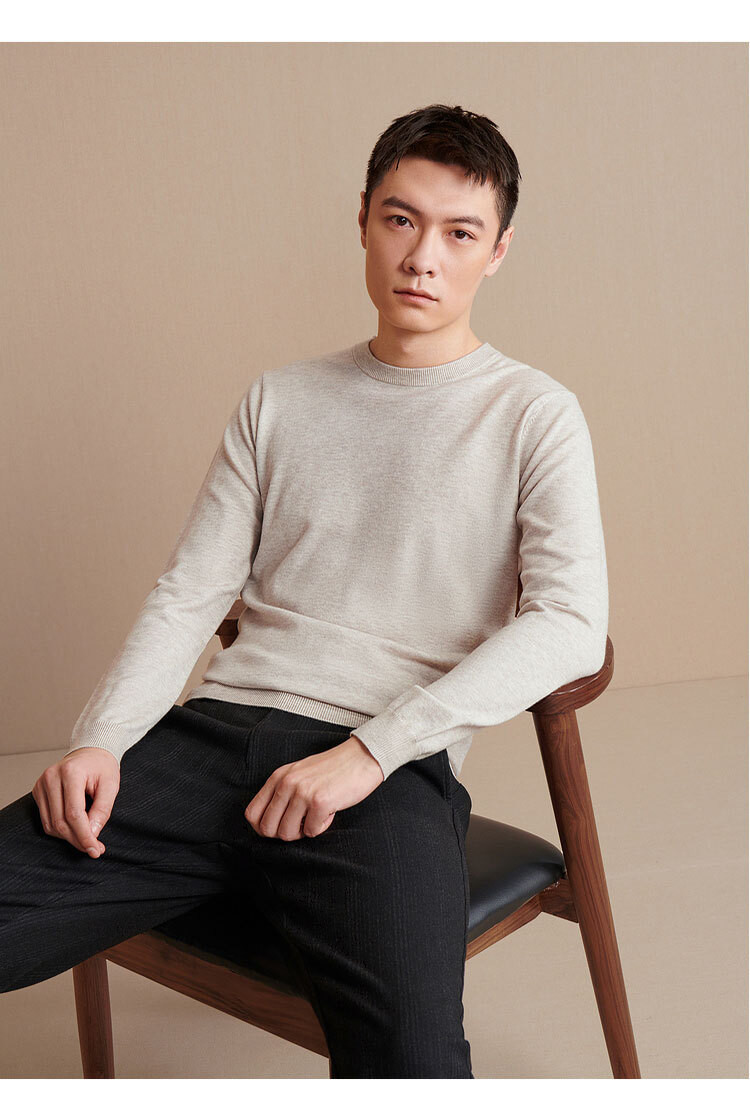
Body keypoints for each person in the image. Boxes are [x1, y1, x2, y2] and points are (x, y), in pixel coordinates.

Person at [0, 103, 608, 1078]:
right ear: (364, 220)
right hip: (209, 740)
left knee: (413, 1061)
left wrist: (371, 752)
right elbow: (190, 593)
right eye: (401, 219)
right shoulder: (280, 399)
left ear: (497, 252)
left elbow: (572, 623)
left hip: (381, 769)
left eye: (459, 233)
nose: (423, 257)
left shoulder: (534, 414)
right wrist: (101, 738)